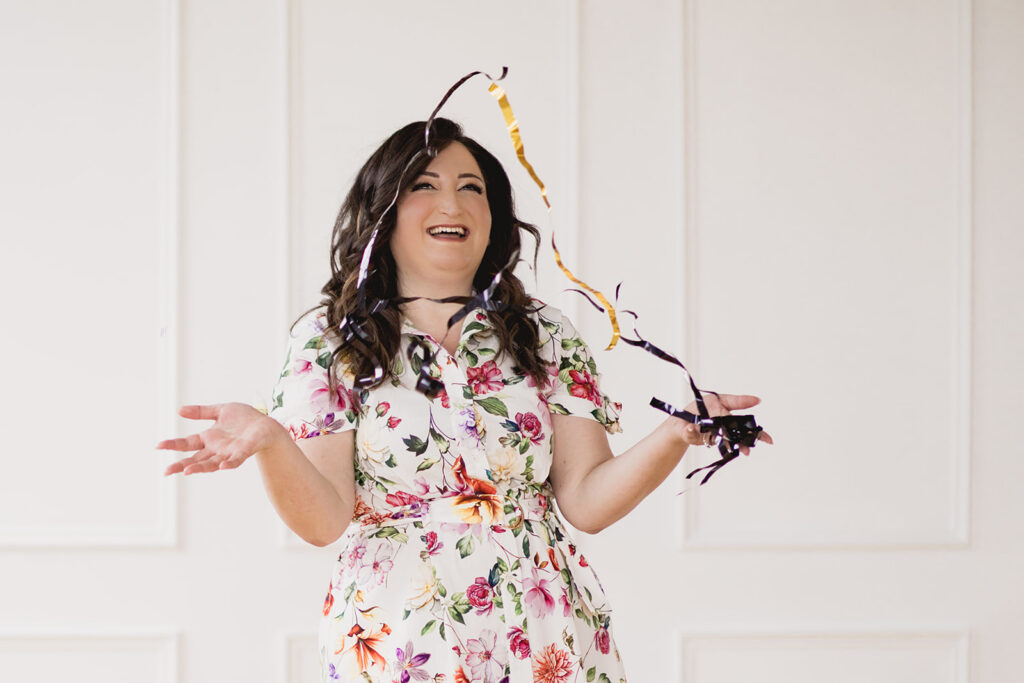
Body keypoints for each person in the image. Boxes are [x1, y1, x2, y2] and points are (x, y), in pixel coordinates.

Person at [156, 117, 772, 682]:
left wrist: (675, 435)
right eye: (424, 184)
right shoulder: (329, 341)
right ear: (385, 212)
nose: (452, 202)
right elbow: (323, 520)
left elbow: (586, 502)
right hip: (397, 634)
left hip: (547, 632)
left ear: (494, 214)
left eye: (472, 187)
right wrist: (271, 440)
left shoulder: (545, 333)